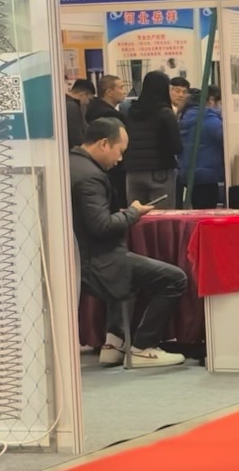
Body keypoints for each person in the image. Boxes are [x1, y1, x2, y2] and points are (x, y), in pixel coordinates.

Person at [70, 117, 187, 370]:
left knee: (129, 271)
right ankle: (143, 346)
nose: (120, 159)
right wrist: (133, 213)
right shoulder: (91, 177)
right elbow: (102, 226)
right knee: (174, 278)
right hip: (97, 262)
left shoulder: (68, 165)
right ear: (104, 144)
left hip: (81, 258)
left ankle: (114, 343)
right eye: (120, 151)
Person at [122, 71, 184, 207]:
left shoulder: (131, 111)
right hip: (160, 172)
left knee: (136, 215)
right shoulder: (166, 113)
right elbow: (177, 146)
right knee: (161, 216)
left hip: (133, 172)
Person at [86, 75, 129, 208]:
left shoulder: (90, 109)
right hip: (111, 171)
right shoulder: (111, 117)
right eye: (121, 87)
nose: (124, 91)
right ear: (109, 92)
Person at [179, 85, 224, 209]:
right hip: (206, 175)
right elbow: (226, 136)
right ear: (211, 100)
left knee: (198, 210)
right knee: (207, 212)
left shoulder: (188, 115)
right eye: (220, 103)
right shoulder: (208, 118)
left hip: (192, 174)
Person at [66, 78, 94, 149]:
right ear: (83, 94)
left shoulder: (66, 103)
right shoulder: (72, 107)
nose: (88, 103)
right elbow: (76, 137)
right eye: (89, 99)